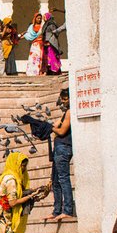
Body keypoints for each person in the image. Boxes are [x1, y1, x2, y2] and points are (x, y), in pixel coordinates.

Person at [44, 89, 74, 221]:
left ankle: (67, 210)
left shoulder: (70, 112)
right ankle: (57, 211)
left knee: (63, 179)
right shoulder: (65, 113)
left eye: (65, 98)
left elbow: (61, 131)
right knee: (55, 181)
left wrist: (51, 128)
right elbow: (57, 125)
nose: (63, 101)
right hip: (58, 148)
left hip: (64, 147)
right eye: (62, 98)